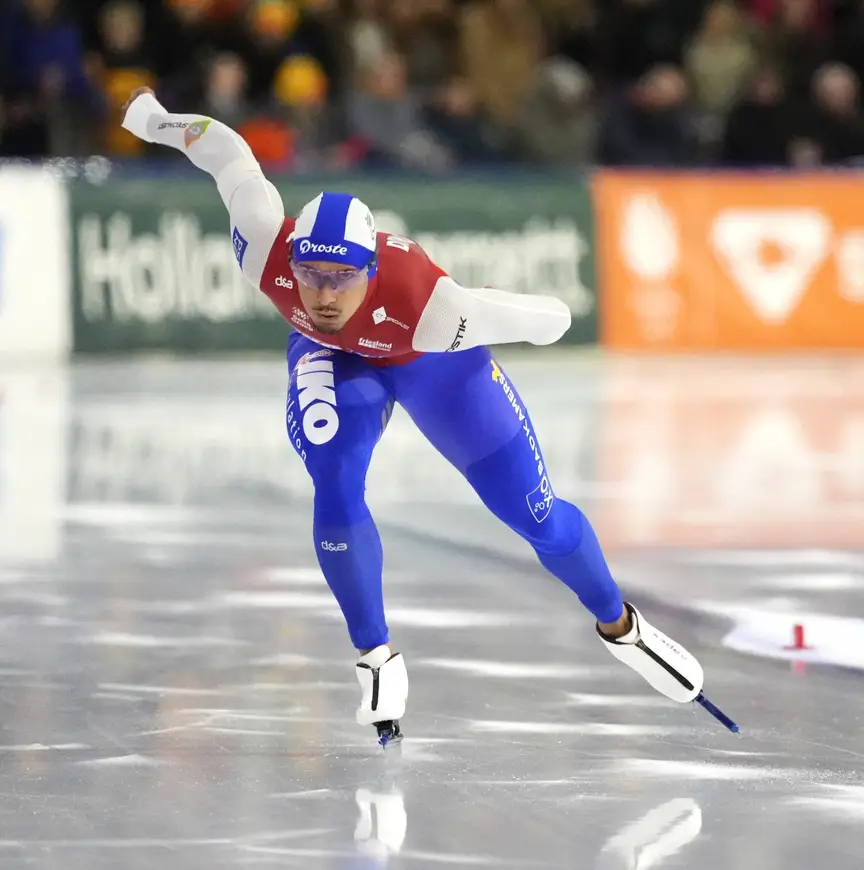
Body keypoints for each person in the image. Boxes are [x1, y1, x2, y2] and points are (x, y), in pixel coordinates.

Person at [120, 86, 705, 745]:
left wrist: (488, 310)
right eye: (310, 275)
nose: (323, 293)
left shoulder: (435, 309)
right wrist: (152, 118)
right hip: (336, 360)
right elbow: (226, 153)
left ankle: (619, 624)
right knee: (336, 477)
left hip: (432, 362)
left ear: (371, 270)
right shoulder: (263, 247)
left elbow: (555, 320)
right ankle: (375, 655)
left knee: (534, 515)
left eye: (342, 278)